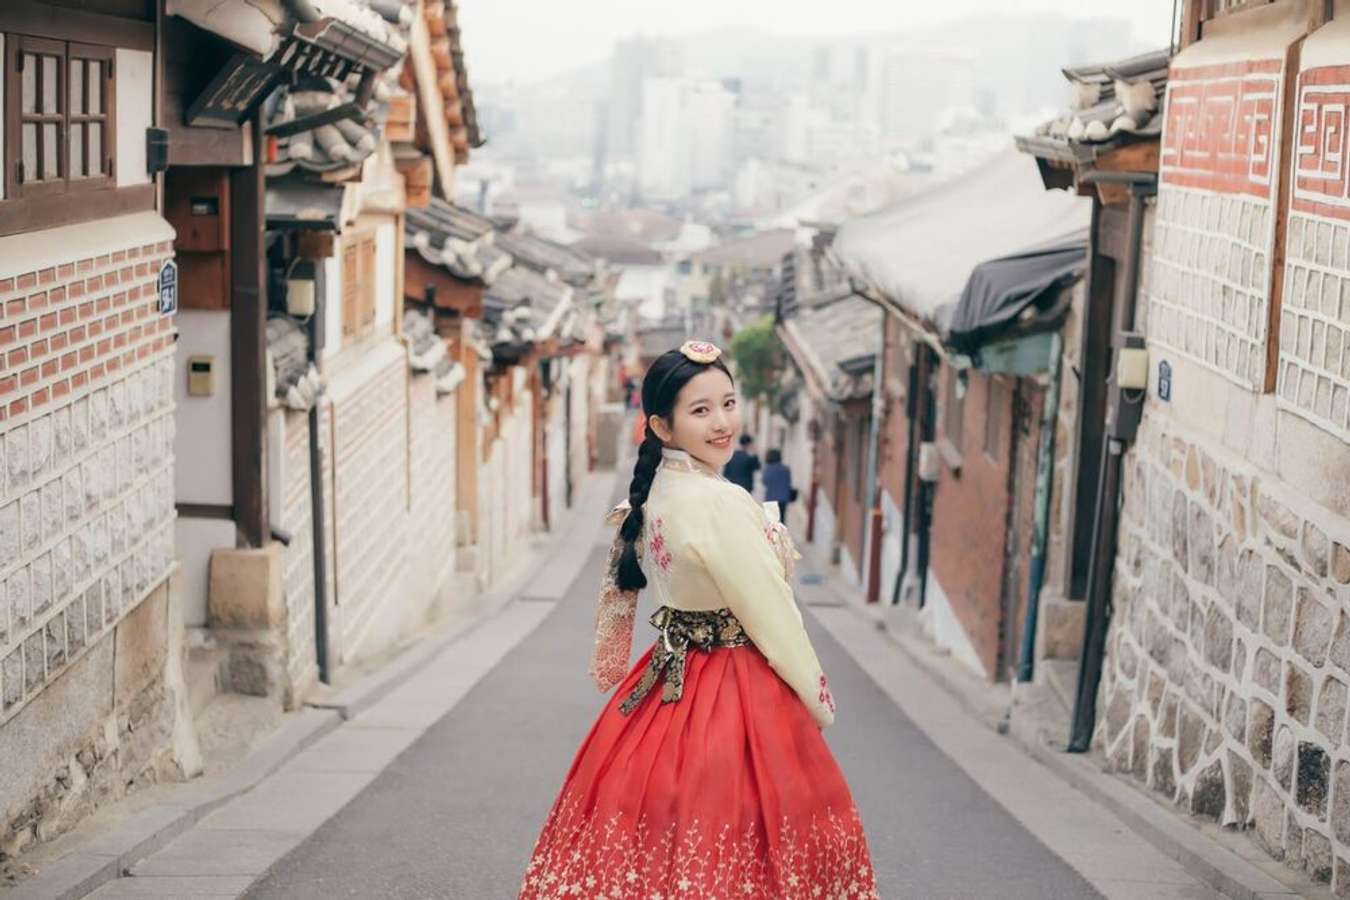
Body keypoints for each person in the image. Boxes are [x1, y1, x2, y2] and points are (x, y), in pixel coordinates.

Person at [519, 340, 876, 899]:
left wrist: (610, 658)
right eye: (701, 410)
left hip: (668, 675)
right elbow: (773, 615)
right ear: (662, 426)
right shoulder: (719, 502)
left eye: (728, 403)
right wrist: (815, 698)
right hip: (736, 681)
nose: (722, 422)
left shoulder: (656, 491)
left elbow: (623, 589)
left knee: (663, 828)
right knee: (750, 834)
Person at [762, 447, 794, 525]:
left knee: (771, 520)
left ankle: (773, 536)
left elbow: (764, 481)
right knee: (782, 518)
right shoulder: (786, 469)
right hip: (783, 498)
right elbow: (789, 482)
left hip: (771, 498)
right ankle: (781, 535)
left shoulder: (768, 468)